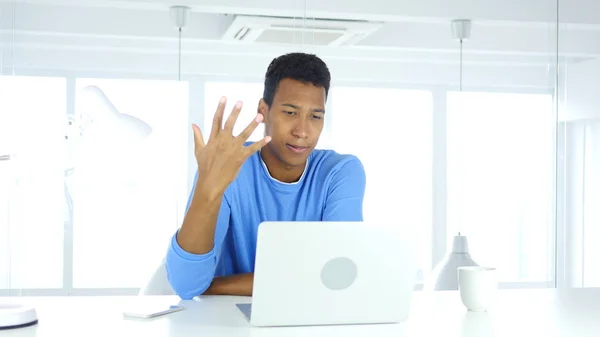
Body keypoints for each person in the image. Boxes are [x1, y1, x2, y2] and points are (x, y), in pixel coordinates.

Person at [165, 52, 366, 300]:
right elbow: (186, 284)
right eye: (290, 112)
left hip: (312, 319)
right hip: (228, 323)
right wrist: (207, 190)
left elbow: (337, 276)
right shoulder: (227, 167)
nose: (302, 131)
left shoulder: (340, 172)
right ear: (264, 110)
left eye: (315, 116)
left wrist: (213, 285)